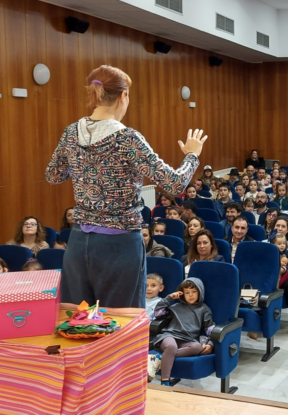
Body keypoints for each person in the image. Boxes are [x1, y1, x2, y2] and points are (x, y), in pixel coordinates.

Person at [46, 66, 205, 309]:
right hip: (118, 246)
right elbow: (174, 183)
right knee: (120, 323)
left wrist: (84, 164)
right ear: (123, 96)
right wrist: (192, 155)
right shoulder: (127, 138)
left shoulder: (71, 133)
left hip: (78, 242)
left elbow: (53, 175)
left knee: (78, 321)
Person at [151, 278, 214, 385]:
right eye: (187, 292)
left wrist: (211, 344)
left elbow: (210, 329)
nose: (190, 295)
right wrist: (169, 298)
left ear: (200, 292)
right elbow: (158, 314)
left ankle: (159, 358)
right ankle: (165, 382)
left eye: (194, 292)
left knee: (197, 347)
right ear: (182, 294)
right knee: (171, 347)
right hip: (169, 336)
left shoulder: (204, 309)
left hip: (187, 340)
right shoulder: (176, 307)